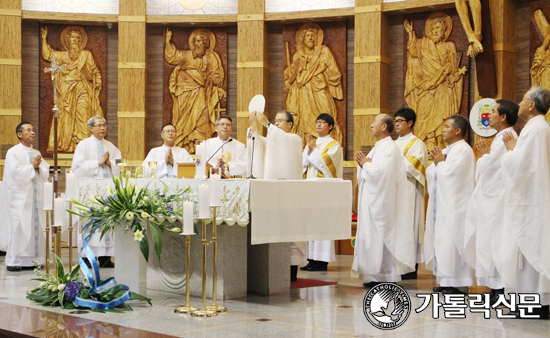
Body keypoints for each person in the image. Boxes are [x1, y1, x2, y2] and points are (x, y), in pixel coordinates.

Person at [493, 86, 550, 319]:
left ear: (532, 105)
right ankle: (535, 302)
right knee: (530, 249)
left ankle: (533, 305)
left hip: (529, 201)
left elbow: (520, 165)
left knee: (528, 250)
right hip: (534, 197)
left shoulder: (535, 129)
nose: (519, 103)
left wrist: (510, 151)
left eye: (523, 98)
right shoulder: (539, 128)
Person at [463, 99, 518, 304]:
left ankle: (500, 288)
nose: (489, 115)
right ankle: (496, 287)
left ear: (503, 117)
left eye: (493, 111)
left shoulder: (507, 135)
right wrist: (486, 157)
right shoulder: (501, 136)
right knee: (492, 243)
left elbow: (490, 168)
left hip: (497, 200)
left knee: (497, 243)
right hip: (492, 199)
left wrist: (484, 157)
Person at [353, 114, 415, 288]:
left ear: (384, 127)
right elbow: (371, 168)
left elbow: (381, 173)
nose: (371, 125)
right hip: (373, 200)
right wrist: (363, 165)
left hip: (383, 203)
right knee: (374, 238)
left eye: (375, 122)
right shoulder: (378, 147)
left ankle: (387, 276)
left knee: (383, 237)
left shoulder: (389, 147)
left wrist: (366, 164)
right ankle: (376, 275)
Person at [248, 110, 305, 281]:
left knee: (289, 229)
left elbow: (283, 140)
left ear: (290, 124)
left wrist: (267, 124)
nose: (277, 123)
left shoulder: (295, 139)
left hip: (289, 194)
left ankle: (291, 271)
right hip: (272, 194)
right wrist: (254, 127)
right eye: (276, 120)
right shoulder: (270, 140)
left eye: (281, 120)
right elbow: (256, 143)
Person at [425, 115, 475, 294]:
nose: (443, 129)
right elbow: (434, 172)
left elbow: (453, 176)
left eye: (447, 126)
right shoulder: (450, 150)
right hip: (444, 205)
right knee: (444, 242)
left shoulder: (463, 150)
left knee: (453, 242)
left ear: (458, 130)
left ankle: (459, 283)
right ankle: (446, 281)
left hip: (457, 205)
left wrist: (440, 163)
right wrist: (437, 163)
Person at [404, 14, 466, 149]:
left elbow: (453, 67)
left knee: (442, 117)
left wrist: (453, 75)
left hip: (442, 87)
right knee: (423, 117)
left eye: (439, 28)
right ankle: (427, 144)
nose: (435, 31)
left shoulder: (449, 46)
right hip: (425, 87)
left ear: (444, 30)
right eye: (433, 28)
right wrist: (410, 33)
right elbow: (413, 52)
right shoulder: (423, 44)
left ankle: (441, 145)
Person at [41, 27, 103, 153]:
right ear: (67, 41)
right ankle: (67, 145)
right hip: (65, 92)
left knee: (83, 114)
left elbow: (94, 71)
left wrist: (97, 83)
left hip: (82, 89)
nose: (75, 40)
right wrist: (43, 39)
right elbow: (47, 55)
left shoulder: (86, 55)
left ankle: (84, 146)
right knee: (66, 118)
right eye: (72, 37)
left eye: (77, 38)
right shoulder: (62, 55)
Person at [165, 28, 226, 153]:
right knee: (183, 120)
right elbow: (173, 57)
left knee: (201, 117)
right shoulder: (187, 55)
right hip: (184, 93)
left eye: (200, 41)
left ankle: (201, 149)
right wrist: (167, 41)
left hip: (201, 92)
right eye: (195, 41)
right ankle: (185, 147)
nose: (197, 44)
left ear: (206, 43)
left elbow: (216, 75)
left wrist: (211, 81)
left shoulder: (212, 57)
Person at [72, 116, 121, 267]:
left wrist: (110, 163)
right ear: (90, 128)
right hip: (90, 193)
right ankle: (87, 257)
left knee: (107, 223)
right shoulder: (83, 145)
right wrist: (97, 163)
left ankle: (106, 258)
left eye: (104, 125)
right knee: (91, 223)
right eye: (99, 125)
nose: (102, 128)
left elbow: (119, 164)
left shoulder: (110, 146)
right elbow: (77, 168)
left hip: (107, 191)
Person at [0, 122, 50, 271]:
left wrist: (38, 168)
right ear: (19, 134)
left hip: (35, 198)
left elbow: (45, 170)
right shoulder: (13, 152)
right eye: (28, 130)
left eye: (33, 130)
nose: (32, 133)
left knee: (35, 228)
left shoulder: (36, 153)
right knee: (20, 227)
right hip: (20, 200)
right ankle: (15, 261)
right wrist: (31, 167)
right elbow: (13, 173)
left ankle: (34, 261)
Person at [284, 23, 344, 145]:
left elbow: (335, 73)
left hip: (319, 89)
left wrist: (322, 69)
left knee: (326, 112)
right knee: (304, 120)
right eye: (308, 36)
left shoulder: (323, 51)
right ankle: (306, 146)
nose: (311, 38)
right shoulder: (297, 55)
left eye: (313, 36)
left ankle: (328, 145)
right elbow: (291, 78)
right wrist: (294, 72)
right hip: (302, 94)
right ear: (302, 39)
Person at [300, 113, 343, 272]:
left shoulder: (334, 145)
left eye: (323, 122)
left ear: (330, 126)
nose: (318, 125)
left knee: (321, 223)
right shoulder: (311, 143)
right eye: (317, 122)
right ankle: (311, 258)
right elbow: (303, 162)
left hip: (324, 189)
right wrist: (310, 148)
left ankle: (321, 261)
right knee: (310, 222)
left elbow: (326, 165)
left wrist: (313, 149)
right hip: (310, 188)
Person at [393, 108, 429, 280]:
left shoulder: (417, 144)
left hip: (408, 191)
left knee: (408, 227)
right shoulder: (392, 143)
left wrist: (390, 164)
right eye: (395, 121)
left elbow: (412, 167)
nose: (397, 124)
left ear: (410, 123)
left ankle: (409, 267)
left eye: (400, 120)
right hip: (393, 192)